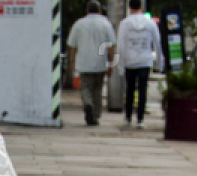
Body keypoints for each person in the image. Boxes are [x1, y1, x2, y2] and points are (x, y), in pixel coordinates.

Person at [67, 1, 117, 126]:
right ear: (99, 10)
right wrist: (111, 63)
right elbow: (111, 46)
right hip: (100, 62)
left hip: (84, 62)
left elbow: (72, 46)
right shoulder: (106, 24)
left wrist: (72, 61)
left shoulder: (79, 24)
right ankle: (95, 115)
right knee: (97, 89)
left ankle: (88, 104)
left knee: (85, 88)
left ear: (87, 10)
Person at [117, 0, 161, 129]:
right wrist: (159, 62)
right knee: (143, 90)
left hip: (130, 61)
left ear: (129, 7)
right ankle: (140, 119)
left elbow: (121, 45)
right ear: (141, 7)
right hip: (145, 60)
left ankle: (128, 117)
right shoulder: (151, 23)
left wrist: (120, 64)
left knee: (129, 89)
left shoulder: (125, 24)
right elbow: (157, 43)